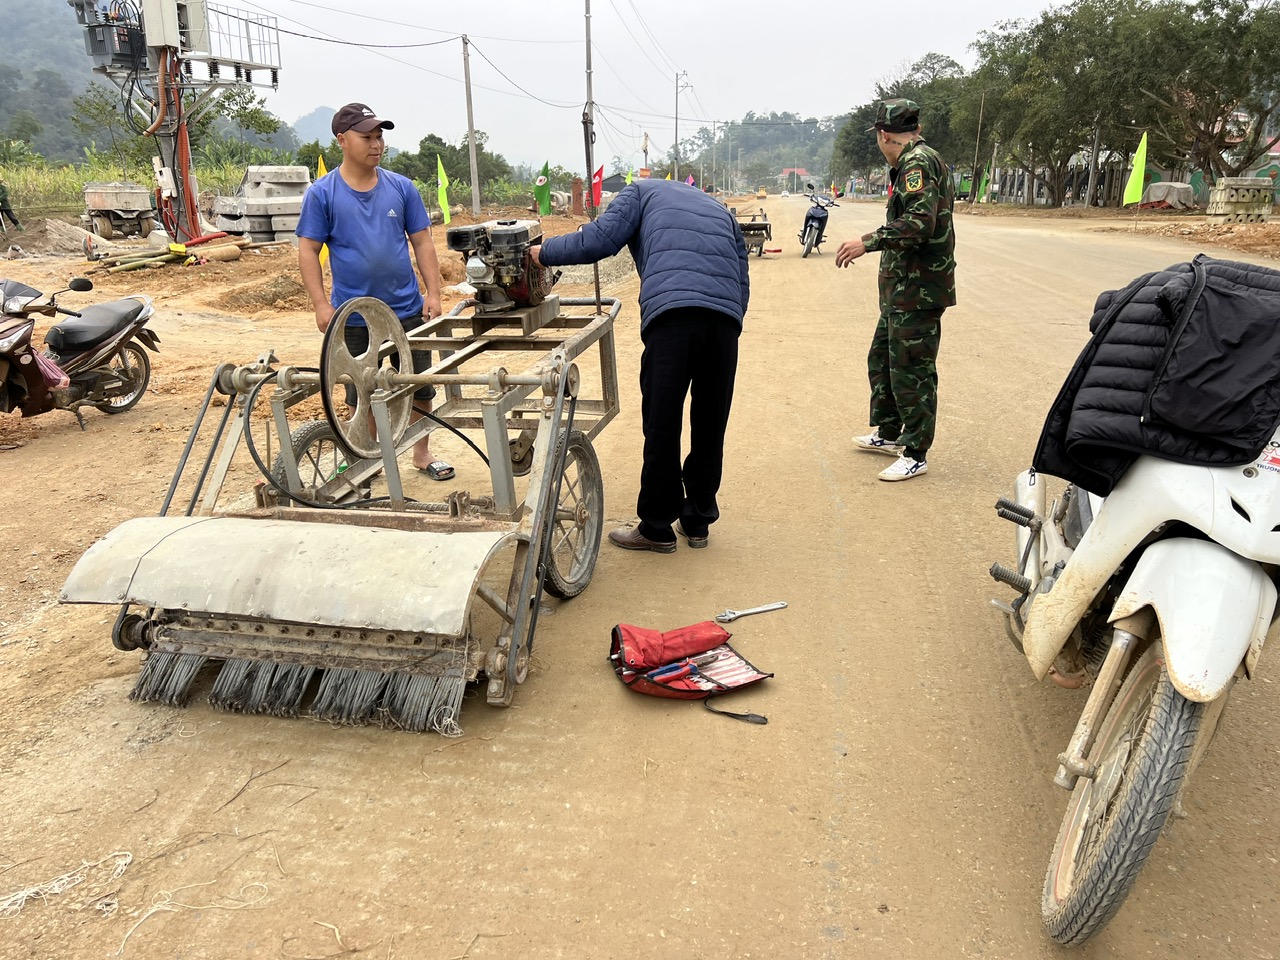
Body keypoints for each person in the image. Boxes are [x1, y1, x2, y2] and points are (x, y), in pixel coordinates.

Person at [530, 179, 750, 554]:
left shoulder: (639, 192)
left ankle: (657, 527)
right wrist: (729, 317)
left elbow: (600, 238)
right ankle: (697, 520)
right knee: (711, 420)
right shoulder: (716, 206)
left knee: (662, 420)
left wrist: (542, 252)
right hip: (724, 320)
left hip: (672, 317)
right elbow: (742, 270)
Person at [296, 103, 452, 479]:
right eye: (367, 136)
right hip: (353, 315)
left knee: (418, 384)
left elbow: (423, 242)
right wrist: (320, 304)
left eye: (380, 136)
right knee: (360, 392)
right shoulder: (323, 194)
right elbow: (308, 250)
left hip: (406, 309)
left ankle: (421, 453)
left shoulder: (402, 187)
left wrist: (434, 293)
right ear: (342, 140)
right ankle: (366, 460)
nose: (377, 144)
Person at [835, 98, 956, 482]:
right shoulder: (913, 161)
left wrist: (866, 242)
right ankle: (889, 432)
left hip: (917, 289)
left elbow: (920, 222)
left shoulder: (917, 163)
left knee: (911, 368)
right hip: (902, 289)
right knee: (883, 360)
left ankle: (916, 451)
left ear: (884, 134)